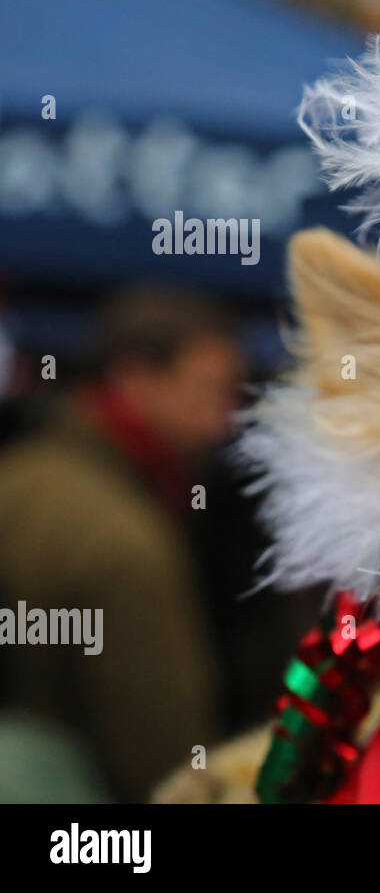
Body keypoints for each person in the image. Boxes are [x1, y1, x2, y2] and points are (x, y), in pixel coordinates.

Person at [0, 286, 244, 800]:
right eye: (209, 392)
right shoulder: (128, 543)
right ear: (136, 377)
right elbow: (165, 756)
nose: (221, 422)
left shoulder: (16, 475)